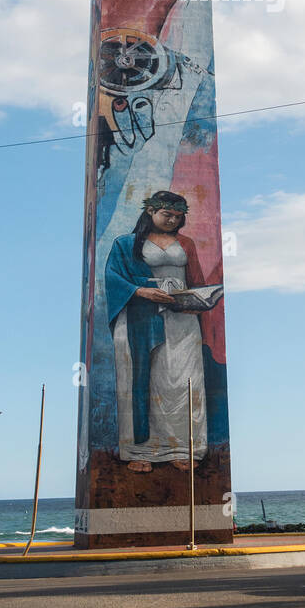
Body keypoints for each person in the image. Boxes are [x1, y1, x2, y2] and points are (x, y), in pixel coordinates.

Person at [106, 191, 209, 473]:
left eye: (178, 216)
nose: (173, 220)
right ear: (150, 212)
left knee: (182, 384)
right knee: (141, 382)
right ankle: (140, 451)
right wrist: (141, 291)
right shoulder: (126, 244)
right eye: (167, 215)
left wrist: (197, 300)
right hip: (142, 320)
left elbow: (196, 281)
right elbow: (113, 278)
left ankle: (180, 448)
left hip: (182, 322)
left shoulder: (185, 243)